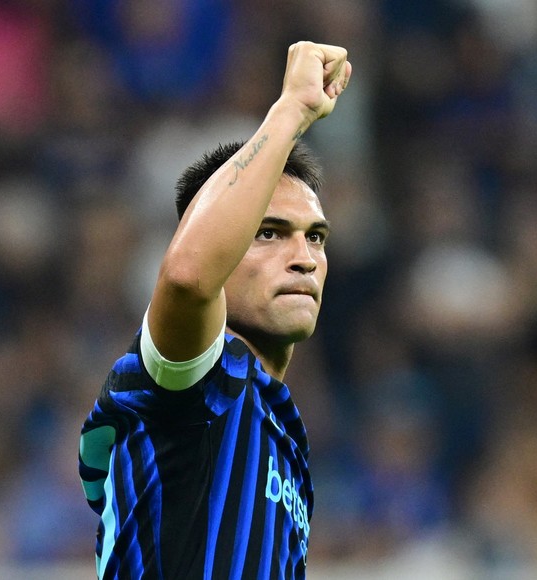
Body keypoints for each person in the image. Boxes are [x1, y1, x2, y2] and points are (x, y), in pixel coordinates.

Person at [78, 41, 352, 579]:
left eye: (315, 238)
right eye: (268, 233)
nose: (304, 258)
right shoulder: (198, 380)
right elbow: (187, 278)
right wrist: (291, 111)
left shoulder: (278, 431)